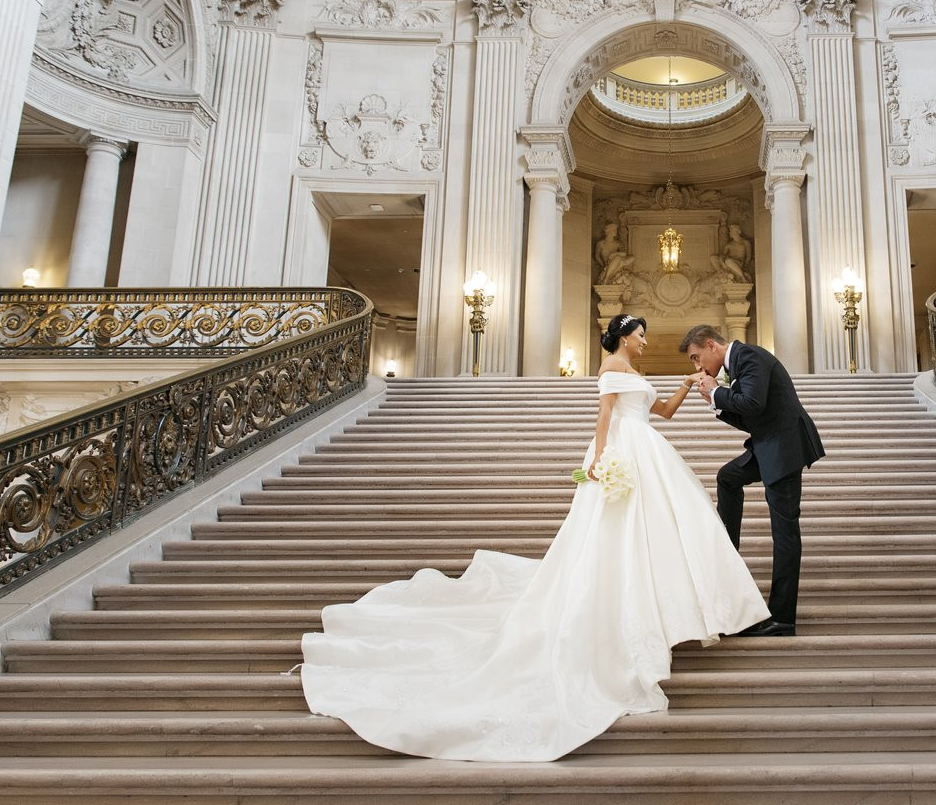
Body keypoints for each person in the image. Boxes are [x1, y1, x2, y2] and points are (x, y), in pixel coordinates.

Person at [299, 314, 769, 761]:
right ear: (625, 337)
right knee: (616, 537)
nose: (646, 342)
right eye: (642, 335)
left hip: (649, 449)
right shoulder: (611, 367)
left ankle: (665, 604)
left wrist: (688, 386)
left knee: (662, 530)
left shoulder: (634, 371)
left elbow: (662, 412)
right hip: (625, 453)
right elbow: (605, 418)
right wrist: (600, 462)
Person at [681, 325, 824, 637]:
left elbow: (753, 404)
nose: (697, 366)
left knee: (784, 533)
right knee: (728, 477)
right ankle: (727, 549)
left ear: (710, 345)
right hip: (768, 444)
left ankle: (782, 618)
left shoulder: (749, 356)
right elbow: (749, 417)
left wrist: (718, 391)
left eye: (696, 358)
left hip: (785, 448)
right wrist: (715, 401)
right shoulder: (739, 363)